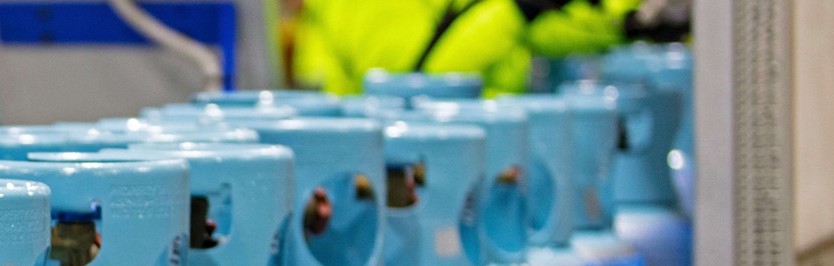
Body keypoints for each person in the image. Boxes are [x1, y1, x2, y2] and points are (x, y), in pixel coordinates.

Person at [291, 0, 690, 95]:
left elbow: (543, 27)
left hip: (486, 161)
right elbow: (416, 83)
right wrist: (516, 10)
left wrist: (630, 19)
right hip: (396, 182)